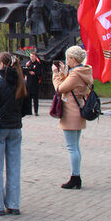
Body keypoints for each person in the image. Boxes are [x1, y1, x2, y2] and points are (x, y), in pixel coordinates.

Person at [0, 52, 31, 215]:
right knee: (14, 166)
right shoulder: (22, 82)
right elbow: (26, 109)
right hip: (15, 127)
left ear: (2, 65)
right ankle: (13, 203)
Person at [52, 45, 94, 190]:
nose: (67, 60)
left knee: (71, 147)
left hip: (71, 111)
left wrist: (56, 75)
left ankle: (75, 176)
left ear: (73, 59)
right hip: (79, 109)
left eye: (68, 58)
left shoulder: (76, 74)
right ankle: (76, 175)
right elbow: (70, 85)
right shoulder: (84, 71)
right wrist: (64, 73)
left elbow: (60, 88)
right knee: (75, 146)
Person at [23, 52, 42, 116]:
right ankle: (29, 111)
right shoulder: (29, 63)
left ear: (35, 57)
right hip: (29, 82)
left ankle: (36, 111)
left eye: (33, 56)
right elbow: (25, 71)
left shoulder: (38, 64)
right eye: (31, 56)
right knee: (28, 98)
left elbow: (39, 73)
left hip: (35, 83)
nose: (31, 58)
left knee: (35, 98)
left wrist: (34, 73)